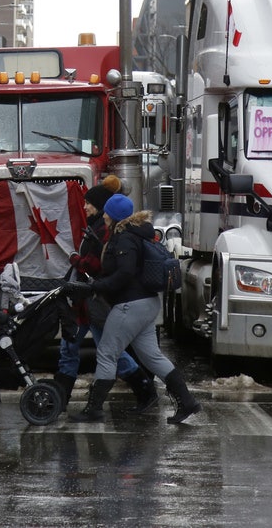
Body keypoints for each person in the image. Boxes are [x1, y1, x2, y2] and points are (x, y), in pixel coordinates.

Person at [68, 193, 201, 425]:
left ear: (112, 214)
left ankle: (94, 409)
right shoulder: (137, 234)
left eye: (107, 211)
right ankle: (187, 401)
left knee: (107, 353)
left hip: (131, 305)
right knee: (152, 357)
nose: (104, 214)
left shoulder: (125, 238)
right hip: (147, 303)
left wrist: (96, 287)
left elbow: (125, 272)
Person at [55, 176, 158, 413]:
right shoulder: (97, 227)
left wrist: (75, 260)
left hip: (92, 301)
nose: (85, 207)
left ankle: (142, 390)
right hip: (88, 300)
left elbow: (97, 265)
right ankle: (60, 400)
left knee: (97, 350)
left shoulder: (103, 231)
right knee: (76, 348)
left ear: (102, 207)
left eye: (89, 203)